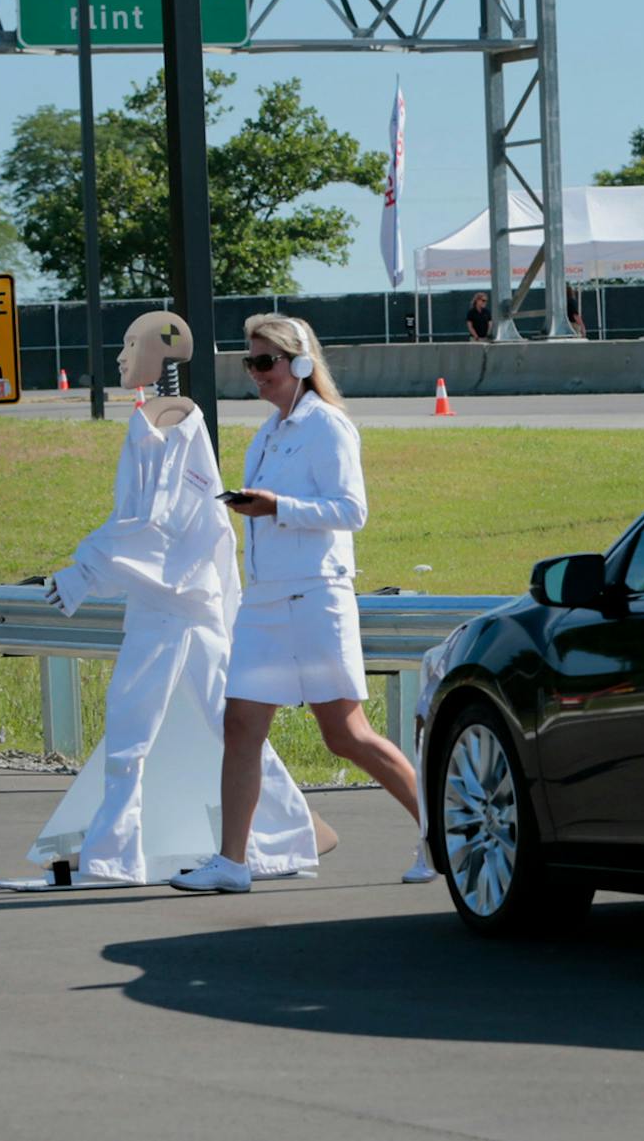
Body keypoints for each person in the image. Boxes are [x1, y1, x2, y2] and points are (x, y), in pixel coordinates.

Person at [33, 312, 319, 886]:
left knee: (134, 728)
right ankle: (288, 835)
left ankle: (115, 857)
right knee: (222, 724)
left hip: (174, 603)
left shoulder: (174, 420)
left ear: (161, 354)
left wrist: (83, 572)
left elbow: (156, 522)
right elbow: (150, 524)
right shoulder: (157, 418)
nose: (120, 356)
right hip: (179, 597)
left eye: (130, 344)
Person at [173, 314, 431, 893]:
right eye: (251, 361)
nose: (256, 373)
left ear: (301, 364)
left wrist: (277, 506)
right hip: (264, 602)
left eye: (266, 361)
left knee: (345, 734)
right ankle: (232, 864)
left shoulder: (328, 426)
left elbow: (351, 510)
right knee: (240, 725)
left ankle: (444, 834)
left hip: (316, 597)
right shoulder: (268, 432)